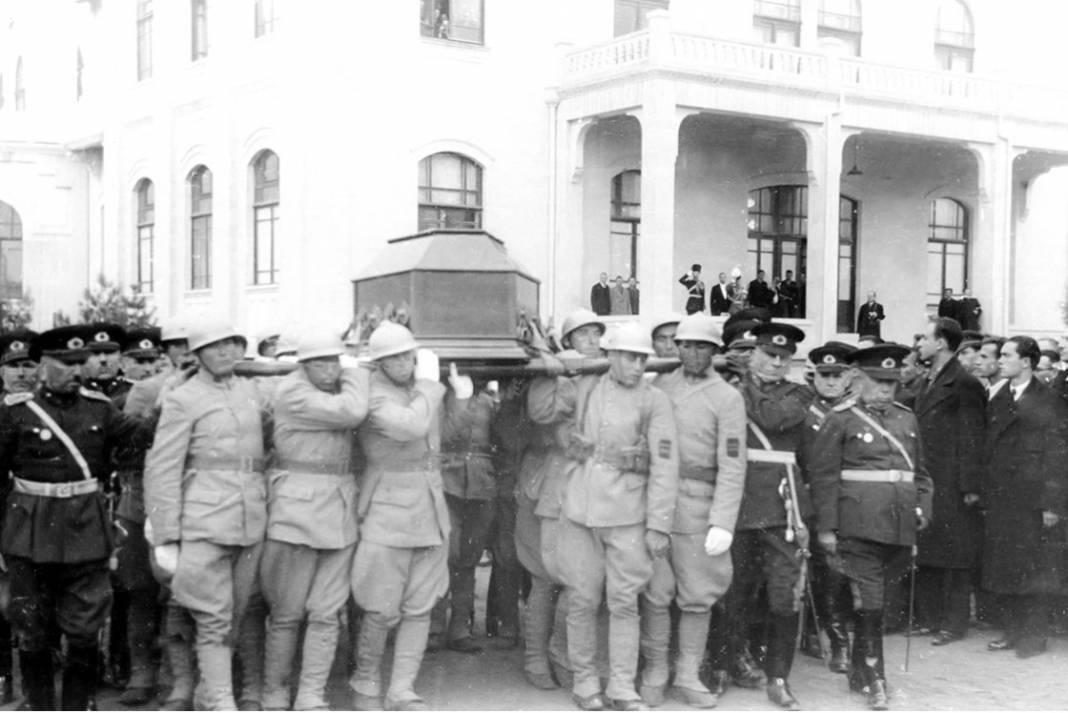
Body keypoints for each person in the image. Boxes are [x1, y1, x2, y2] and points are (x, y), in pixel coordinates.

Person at [0, 325, 153, 711]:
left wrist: (176, 394)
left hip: (85, 528)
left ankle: (78, 704)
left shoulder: (100, 408)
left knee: (85, 627)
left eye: (79, 362)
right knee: (31, 626)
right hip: (29, 529)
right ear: (42, 366)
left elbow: (142, 436)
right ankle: (38, 704)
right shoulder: (15, 411)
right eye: (65, 363)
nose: (76, 370)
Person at [549, 322, 678, 711]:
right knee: (582, 598)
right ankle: (585, 680)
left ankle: (622, 685)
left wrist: (658, 525)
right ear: (611, 356)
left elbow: (665, 466)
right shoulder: (587, 386)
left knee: (624, 601)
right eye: (629, 358)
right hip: (581, 510)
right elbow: (546, 411)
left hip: (628, 514)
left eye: (642, 359)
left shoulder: (654, 400)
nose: (637, 366)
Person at [144, 321, 271, 711]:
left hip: (250, 519)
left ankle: (207, 693)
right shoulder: (183, 398)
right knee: (212, 617)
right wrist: (166, 535)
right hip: (203, 519)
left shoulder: (250, 391)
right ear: (197, 354)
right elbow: (162, 468)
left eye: (232, 344)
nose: (225, 352)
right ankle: (220, 701)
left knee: (236, 614)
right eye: (215, 346)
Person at [348, 322, 470, 710]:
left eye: (408, 354)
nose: (404, 362)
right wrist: (432, 385)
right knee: (380, 607)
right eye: (393, 358)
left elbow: (440, 435)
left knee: (420, 607)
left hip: (429, 510)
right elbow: (410, 425)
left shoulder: (419, 389)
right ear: (378, 363)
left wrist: (460, 399)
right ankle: (365, 681)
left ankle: (401, 688)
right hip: (387, 510)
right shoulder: (373, 393)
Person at [808, 343, 933, 711]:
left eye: (891, 383)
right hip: (857, 526)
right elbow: (823, 478)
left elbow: (921, 473)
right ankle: (876, 679)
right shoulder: (841, 419)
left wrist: (923, 508)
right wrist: (826, 529)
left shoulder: (906, 418)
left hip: (899, 527)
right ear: (858, 379)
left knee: (877, 602)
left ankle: (859, 670)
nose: (885, 389)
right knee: (871, 600)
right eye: (878, 381)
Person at [640, 314, 746, 709]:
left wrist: (723, 521)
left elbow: (733, 464)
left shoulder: (727, 398)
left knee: (698, 595)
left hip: (699, 505)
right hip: (656, 503)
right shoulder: (660, 386)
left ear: (715, 351)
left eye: (703, 346)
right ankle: (655, 670)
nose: (693, 353)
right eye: (686, 345)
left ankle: (687, 674)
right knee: (655, 592)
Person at [260, 332, 369, 710]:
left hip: (338, 514)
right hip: (296, 515)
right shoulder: (293, 391)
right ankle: (274, 691)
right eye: (321, 362)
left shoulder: (333, 389)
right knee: (286, 614)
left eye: (336, 361)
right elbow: (352, 412)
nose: (331, 369)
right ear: (303, 365)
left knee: (326, 613)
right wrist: (355, 372)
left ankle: (311, 694)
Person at [724, 321, 810, 710]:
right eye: (769, 355)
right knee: (734, 591)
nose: (776, 363)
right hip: (739, 501)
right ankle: (726, 664)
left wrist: (745, 379)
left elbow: (772, 418)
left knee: (783, 596)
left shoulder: (799, 393)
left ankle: (778, 678)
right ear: (754, 352)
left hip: (781, 506)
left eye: (783, 357)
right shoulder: (731, 388)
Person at [522, 309, 606, 691]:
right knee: (545, 579)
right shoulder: (561, 372)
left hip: (592, 489)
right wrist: (556, 370)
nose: (591, 340)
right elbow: (542, 412)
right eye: (583, 334)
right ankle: (535, 658)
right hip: (555, 488)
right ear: (568, 340)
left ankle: (564, 654)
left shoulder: (606, 372)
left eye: (595, 333)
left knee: (582, 582)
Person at [982, 336, 1068, 659]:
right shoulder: (999, 397)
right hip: (1004, 497)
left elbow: (1057, 455)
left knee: (1035, 568)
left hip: (1033, 500)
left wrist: (1051, 504)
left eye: (1007, 356)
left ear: (1026, 362)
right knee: (1007, 565)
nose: (1000, 361)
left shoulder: (1049, 400)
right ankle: (1012, 630)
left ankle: (1034, 635)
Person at [912, 318, 985, 646]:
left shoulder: (964, 383)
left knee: (955, 554)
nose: (919, 344)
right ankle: (930, 618)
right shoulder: (929, 379)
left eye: (924, 338)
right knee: (929, 548)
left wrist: (970, 486)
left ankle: (954, 624)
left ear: (941, 343)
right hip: (930, 477)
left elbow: (973, 436)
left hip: (952, 482)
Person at [111, 327, 167, 706]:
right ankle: (141, 672)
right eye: (139, 360)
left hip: (181, 498)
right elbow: (125, 445)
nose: (148, 367)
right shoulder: (131, 397)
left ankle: (177, 674)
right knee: (139, 589)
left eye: (153, 359)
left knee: (181, 591)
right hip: (137, 499)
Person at [797, 342, 856, 674]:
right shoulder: (804, 410)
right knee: (817, 570)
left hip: (846, 502)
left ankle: (838, 640)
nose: (831, 382)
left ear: (849, 377)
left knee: (838, 573)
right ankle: (815, 633)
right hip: (810, 501)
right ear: (814, 376)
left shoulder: (855, 412)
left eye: (837, 375)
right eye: (824, 375)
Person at [432, 375, 499, 653]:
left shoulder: (489, 402)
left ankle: (460, 628)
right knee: (445, 556)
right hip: (448, 482)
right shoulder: (440, 398)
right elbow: (444, 435)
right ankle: (434, 628)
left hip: (482, 485)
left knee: (468, 560)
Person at [0, 330, 38, 705]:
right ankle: (3, 678)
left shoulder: (49, 410)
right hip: (3, 518)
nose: (22, 373)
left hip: (40, 520)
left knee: (34, 603)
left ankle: (33, 686)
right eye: (14, 366)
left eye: (29, 365)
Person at [82, 322, 130, 404]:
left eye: (109, 352)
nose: (103, 359)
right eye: (95, 353)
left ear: (120, 357)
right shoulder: (75, 395)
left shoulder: (134, 393)